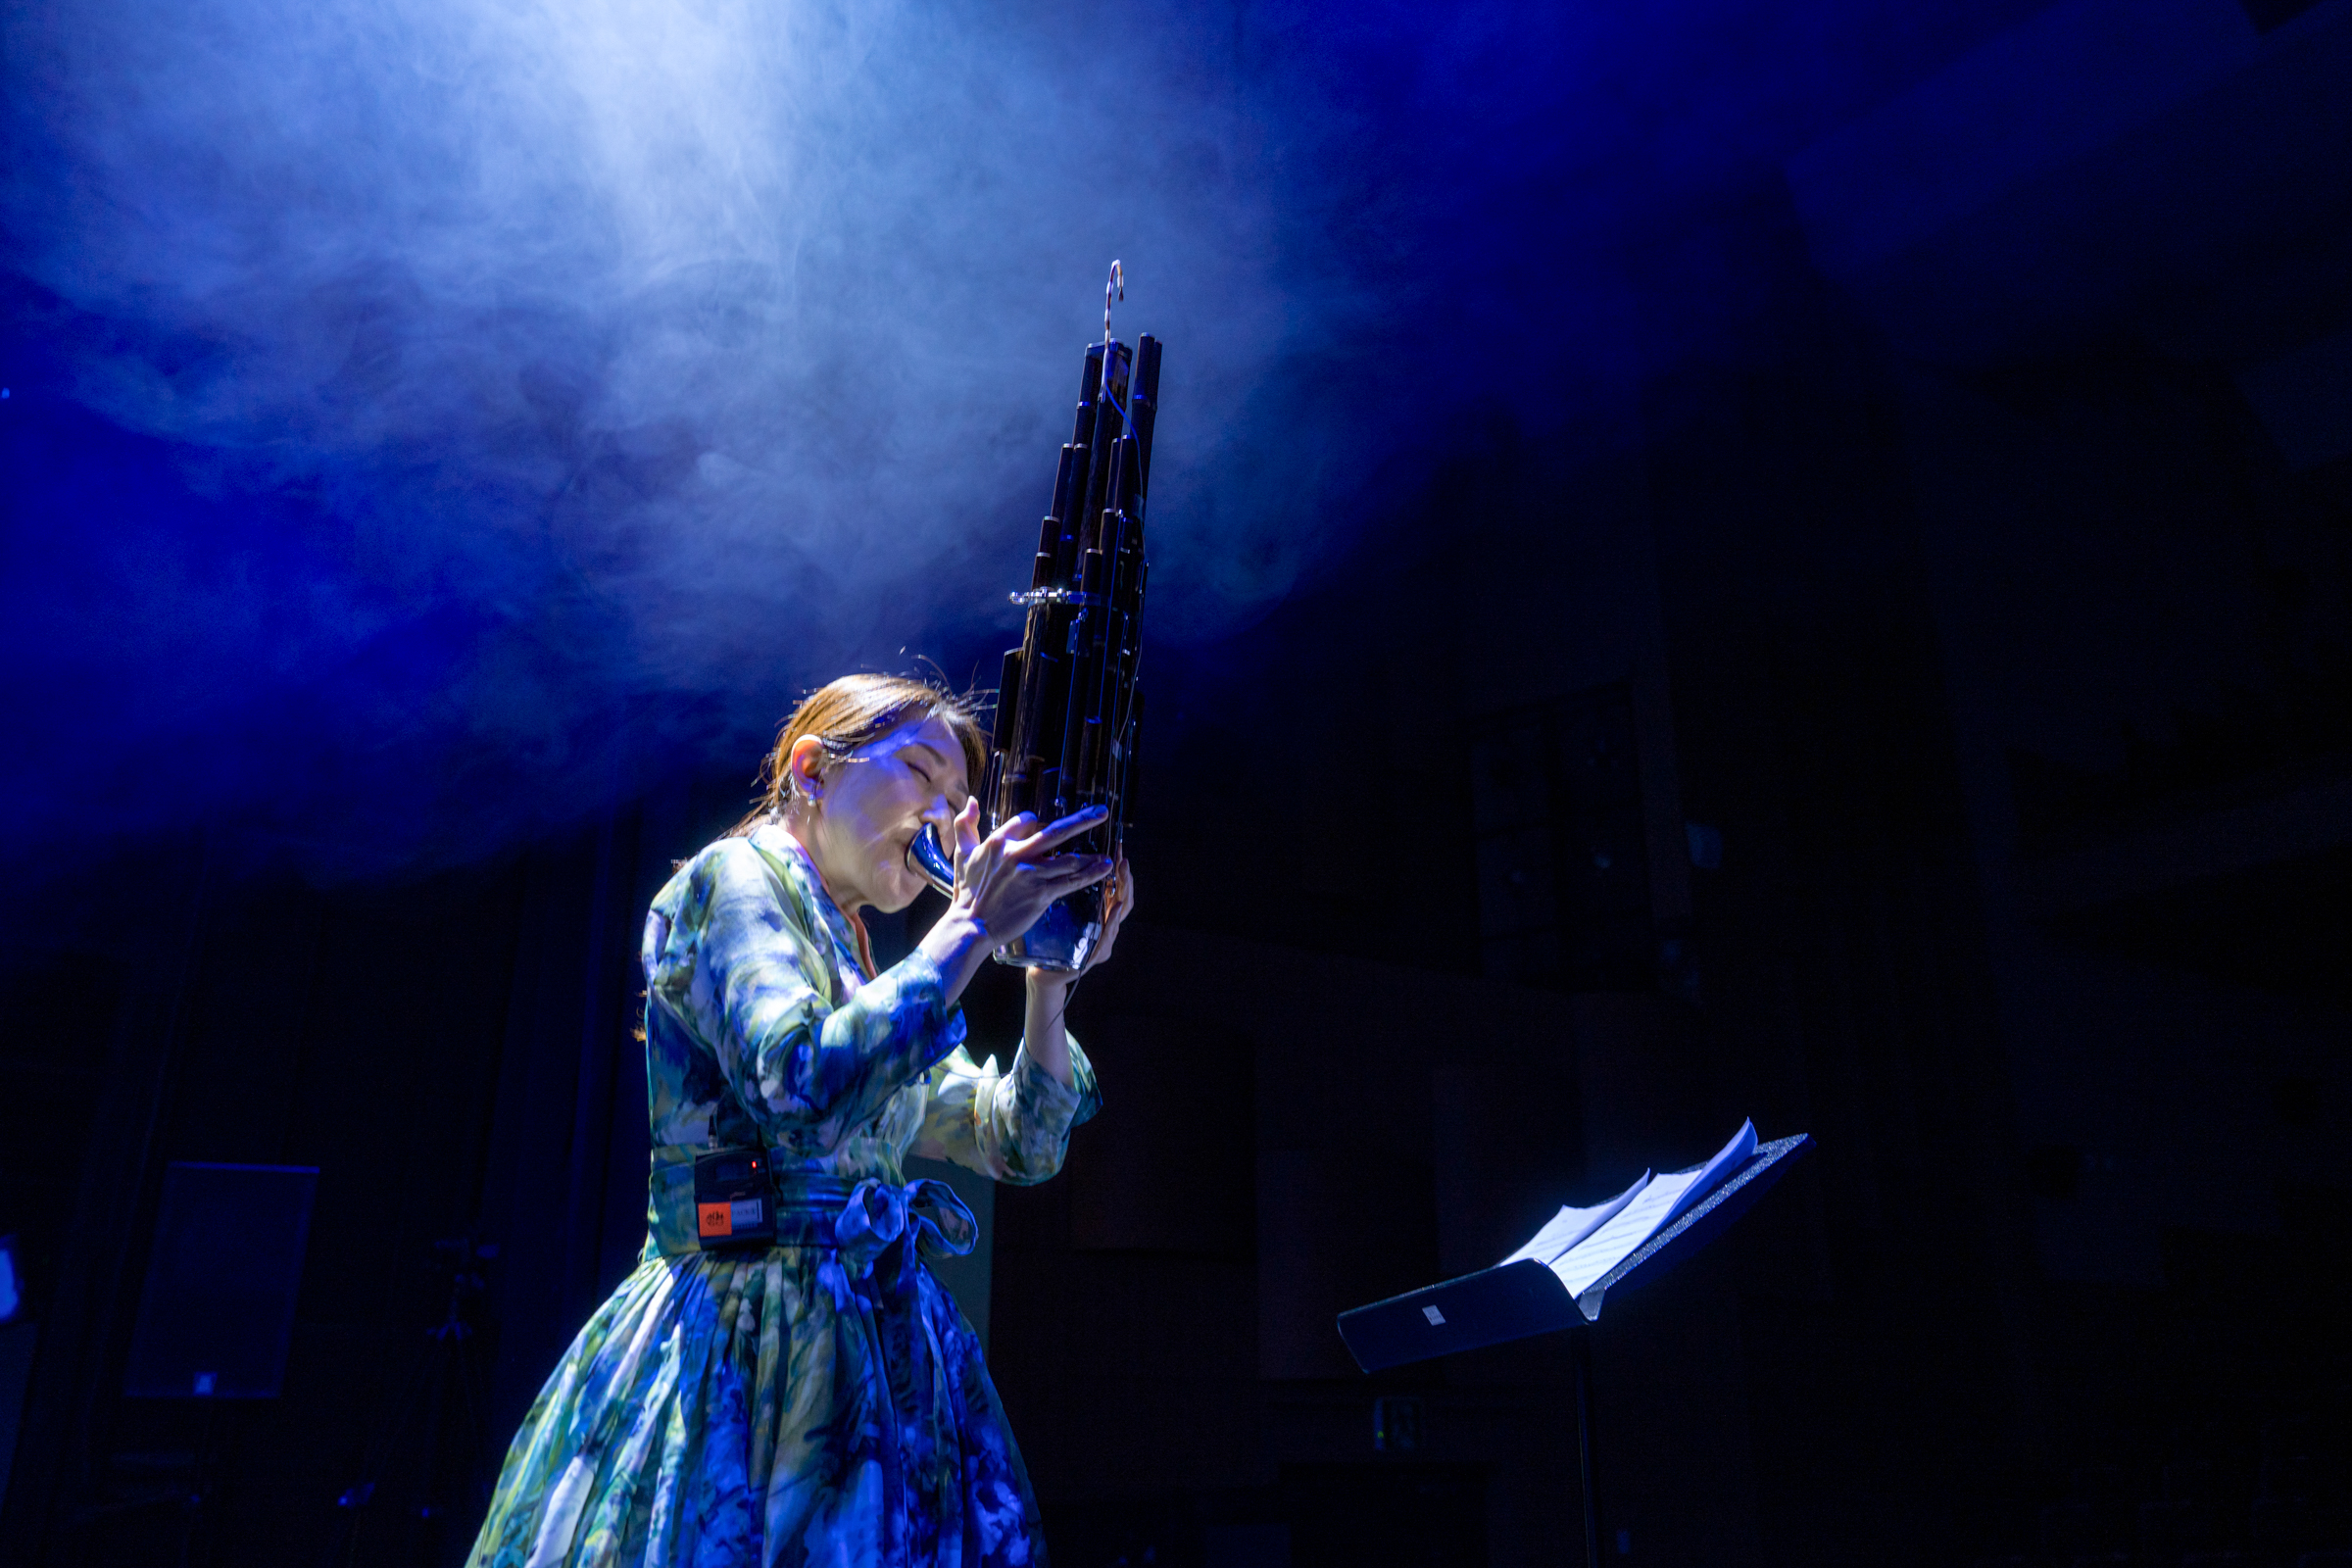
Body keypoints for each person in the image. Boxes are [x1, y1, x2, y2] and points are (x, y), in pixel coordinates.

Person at [466, 673, 1130, 1568]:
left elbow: (1017, 1141)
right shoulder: (734, 877)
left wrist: (1048, 974)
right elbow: (798, 1083)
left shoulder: (864, 964)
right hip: (747, 1339)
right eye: (922, 774)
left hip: (862, 1345)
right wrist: (971, 925)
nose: (943, 819)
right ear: (812, 770)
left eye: (957, 802)